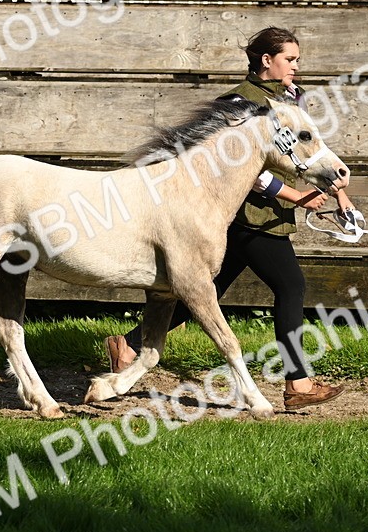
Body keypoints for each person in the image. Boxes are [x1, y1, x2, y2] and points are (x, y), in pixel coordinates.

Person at [105, 27, 354, 411]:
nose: (296, 68)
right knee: (291, 285)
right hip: (243, 216)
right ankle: (297, 383)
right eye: (290, 59)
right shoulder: (239, 103)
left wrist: (339, 192)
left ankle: (130, 343)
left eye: (297, 60)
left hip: (271, 216)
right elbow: (243, 169)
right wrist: (295, 197)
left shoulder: (290, 101)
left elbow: (309, 152)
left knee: (205, 292)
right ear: (265, 60)